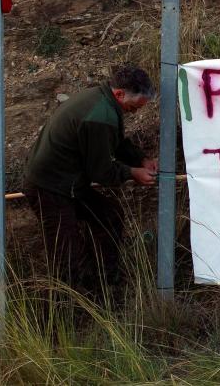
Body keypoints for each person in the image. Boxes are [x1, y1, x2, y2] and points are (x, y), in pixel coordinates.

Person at [23, 65, 157, 292]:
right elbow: (101, 172)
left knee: (109, 215)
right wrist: (133, 173)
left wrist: (141, 159)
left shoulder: (103, 100)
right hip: (49, 188)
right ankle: (67, 311)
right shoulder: (100, 116)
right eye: (133, 108)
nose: (133, 113)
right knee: (66, 255)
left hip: (70, 183)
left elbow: (114, 141)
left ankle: (106, 282)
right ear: (120, 94)